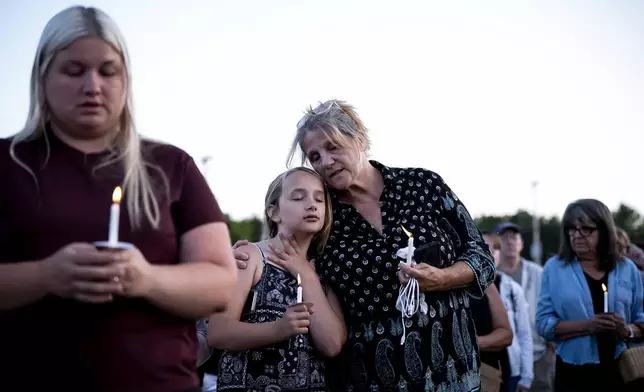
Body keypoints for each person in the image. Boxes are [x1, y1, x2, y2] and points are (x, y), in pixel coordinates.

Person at [0, 6, 237, 392]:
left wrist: (146, 279)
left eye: (108, 71)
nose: (92, 86)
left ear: (126, 80)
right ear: (42, 77)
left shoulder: (170, 166)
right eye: (74, 71)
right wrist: (46, 276)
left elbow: (221, 285)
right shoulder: (7, 164)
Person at [233, 99, 496, 391]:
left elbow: (481, 255)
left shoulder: (423, 185)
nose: (326, 162)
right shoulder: (321, 214)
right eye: (315, 156)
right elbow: (282, 244)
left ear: (359, 137)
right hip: (369, 380)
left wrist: (444, 278)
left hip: (454, 373)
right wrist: (238, 254)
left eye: (333, 147)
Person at [206, 167, 346, 391]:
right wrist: (278, 329)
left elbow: (332, 345)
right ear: (274, 212)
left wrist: (306, 274)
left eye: (319, 200)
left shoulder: (324, 273)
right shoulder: (250, 256)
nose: (312, 204)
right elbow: (218, 332)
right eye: (298, 197)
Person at [536, 199, 644, 391]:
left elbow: (641, 320)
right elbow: (543, 324)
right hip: (573, 373)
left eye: (586, 229)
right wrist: (588, 326)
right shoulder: (554, 268)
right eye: (571, 228)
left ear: (604, 231)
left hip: (620, 370)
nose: (576, 235)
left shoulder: (627, 269)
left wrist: (625, 331)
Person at [495, 223, 551, 392]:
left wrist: (550, 347)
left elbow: (550, 306)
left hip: (539, 351)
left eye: (514, 238)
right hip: (507, 356)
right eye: (504, 238)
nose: (510, 242)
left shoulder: (537, 272)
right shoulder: (493, 277)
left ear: (521, 244)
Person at [483, 232, 534, 392]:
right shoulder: (462, 289)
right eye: (484, 247)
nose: (490, 253)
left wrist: (526, 376)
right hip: (477, 369)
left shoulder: (512, 289)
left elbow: (524, 334)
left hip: (509, 369)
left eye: (495, 248)